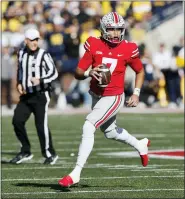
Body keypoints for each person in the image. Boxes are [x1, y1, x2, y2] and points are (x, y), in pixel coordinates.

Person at [58, 12, 150, 187]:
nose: (115, 33)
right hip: (96, 94)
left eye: (118, 29)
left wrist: (136, 93)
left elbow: (140, 70)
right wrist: (88, 73)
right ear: (103, 29)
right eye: (111, 29)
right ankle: (140, 144)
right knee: (110, 132)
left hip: (114, 96)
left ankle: (76, 172)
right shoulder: (94, 44)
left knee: (88, 126)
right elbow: (78, 72)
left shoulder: (128, 48)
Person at [10, 28, 59, 165]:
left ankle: (50, 153)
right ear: (26, 41)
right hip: (26, 95)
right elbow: (20, 70)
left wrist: (41, 79)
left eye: (36, 39)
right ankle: (25, 151)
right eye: (31, 40)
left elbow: (54, 73)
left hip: (40, 94)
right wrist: (19, 83)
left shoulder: (43, 54)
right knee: (17, 121)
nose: (34, 42)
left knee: (40, 125)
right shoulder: (21, 53)